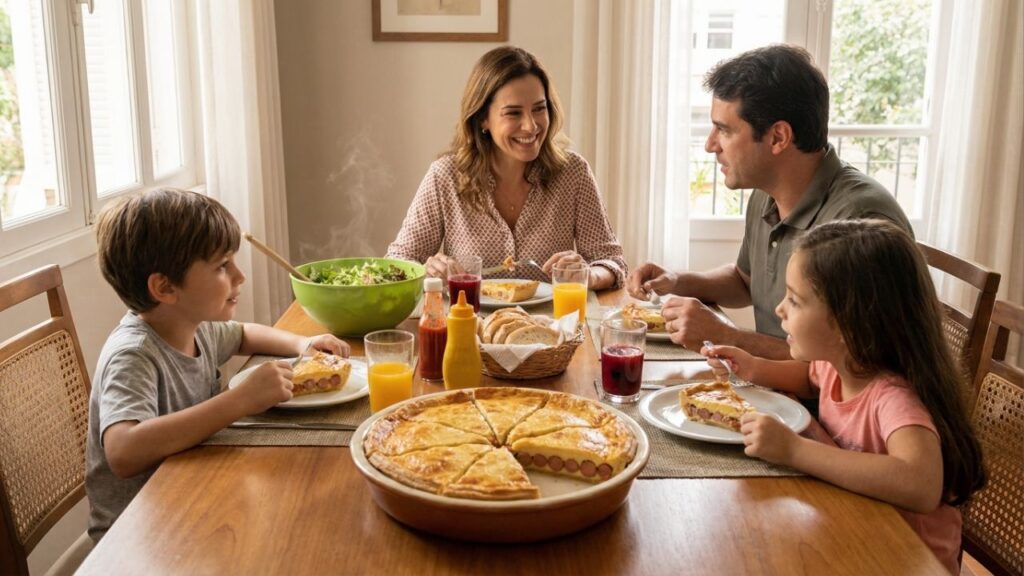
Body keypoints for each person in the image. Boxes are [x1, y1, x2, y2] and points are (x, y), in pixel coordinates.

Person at [702, 220, 986, 575]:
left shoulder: (894, 397)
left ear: (846, 322)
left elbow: (921, 483)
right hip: (855, 527)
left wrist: (795, 450)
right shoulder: (839, 364)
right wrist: (753, 367)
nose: (780, 310)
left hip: (906, 558)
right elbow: (808, 378)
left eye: (795, 299)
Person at [86, 188, 349, 541]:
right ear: (165, 288)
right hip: (138, 534)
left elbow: (243, 335)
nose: (239, 276)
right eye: (222, 266)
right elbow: (123, 450)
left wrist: (303, 343)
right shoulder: (133, 354)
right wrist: (239, 402)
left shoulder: (195, 326)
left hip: (189, 500)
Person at [627, 44, 912, 358]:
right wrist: (677, 281)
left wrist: (727, 336)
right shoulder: (766, 194)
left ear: (778, 137)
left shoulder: (859, 221)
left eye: (723, 130)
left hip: (821, 406)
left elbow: (848, 371)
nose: (710, 145)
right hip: (773, 389)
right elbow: (744, 281)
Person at [387, 46, 627, 290]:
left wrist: (588, 274)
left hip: (555, 326)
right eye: (513, 113)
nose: (531, 126)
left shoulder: (573, 172)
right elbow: (397, 263)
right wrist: (427, 271)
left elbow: (612, 262)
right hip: (471, 325)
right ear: (483, 119)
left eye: (539, 109)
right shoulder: (445, 176)